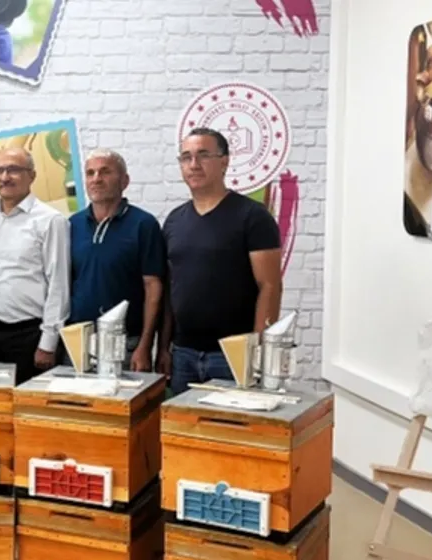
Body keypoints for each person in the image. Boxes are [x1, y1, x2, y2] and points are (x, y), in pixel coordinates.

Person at [157, 127, 283, 394]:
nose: (194, 164)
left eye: (203, 155)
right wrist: (164, 347)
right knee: (180, 422)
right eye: (186, 157)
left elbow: (270, 286)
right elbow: (170, 289)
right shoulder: (174, 221)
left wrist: (257, 353)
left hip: (234, 356)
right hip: (183, 355)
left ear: (224, 162)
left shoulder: (253, 217)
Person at [0, 146, 69, 384]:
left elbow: (59, 283)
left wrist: (48, 343)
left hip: (30, 336)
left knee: (27, 404)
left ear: (32, 176)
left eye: (13, 170)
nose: (4, 177)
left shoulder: (51, 220)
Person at [68, 148, 165, 372]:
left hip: (126, 344)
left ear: (125, 181)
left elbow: (153, 287)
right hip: (77, 343)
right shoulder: (72, 224)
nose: (96, 179)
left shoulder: (144, 224)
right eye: (90, 173)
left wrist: (145, 345)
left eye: (105, 172)